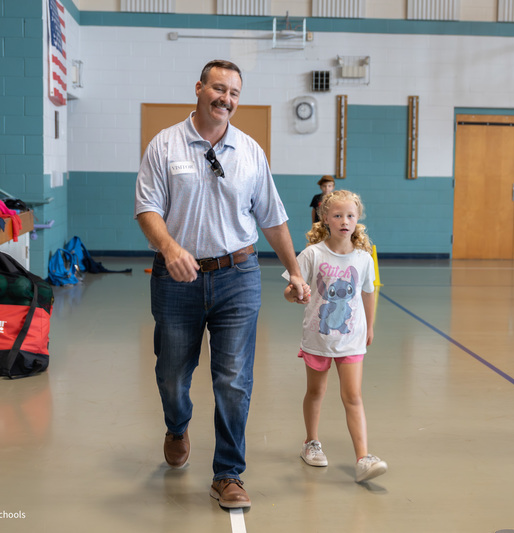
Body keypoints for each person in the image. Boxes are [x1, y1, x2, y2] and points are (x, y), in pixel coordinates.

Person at [134, 59, 309, 509]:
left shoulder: (250, 151)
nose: (225, 98)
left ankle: (228, 473)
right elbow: (147, 209)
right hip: (177, 280)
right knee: (172, 374)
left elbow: (272, 218)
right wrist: (170, 249)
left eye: (233, 92)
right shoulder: (165, 145)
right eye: (218, 88)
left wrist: (294, 269)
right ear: (198, 88)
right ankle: (177, 426)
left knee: (233, 379)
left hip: (239, 276)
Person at [283, 189, 388, 483]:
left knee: (353, 396)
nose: (345, 221)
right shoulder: (312, 254)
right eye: (338, 215)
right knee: (316, 392)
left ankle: (363, 458)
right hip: (318, 338)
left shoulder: (364, 258)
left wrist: (368, 326)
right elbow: (290, 291)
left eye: (351, 215)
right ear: (325, 218)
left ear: (358, 220)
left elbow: (369, 292)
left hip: (351, 339)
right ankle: (311, 442)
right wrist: (295, 294)